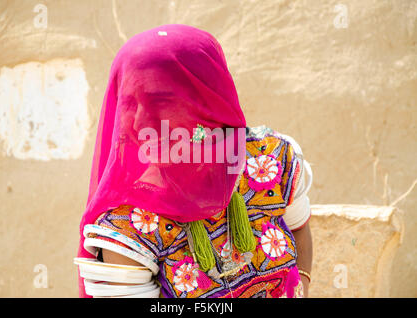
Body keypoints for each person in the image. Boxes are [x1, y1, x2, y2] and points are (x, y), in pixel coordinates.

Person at [75, 24, 313, 298]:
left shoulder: (272, 161)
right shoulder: (130, 228)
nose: (139, 121)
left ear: (207, 98)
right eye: (131, 103)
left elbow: (299, 227)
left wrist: (302, 285)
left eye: (160, 100)